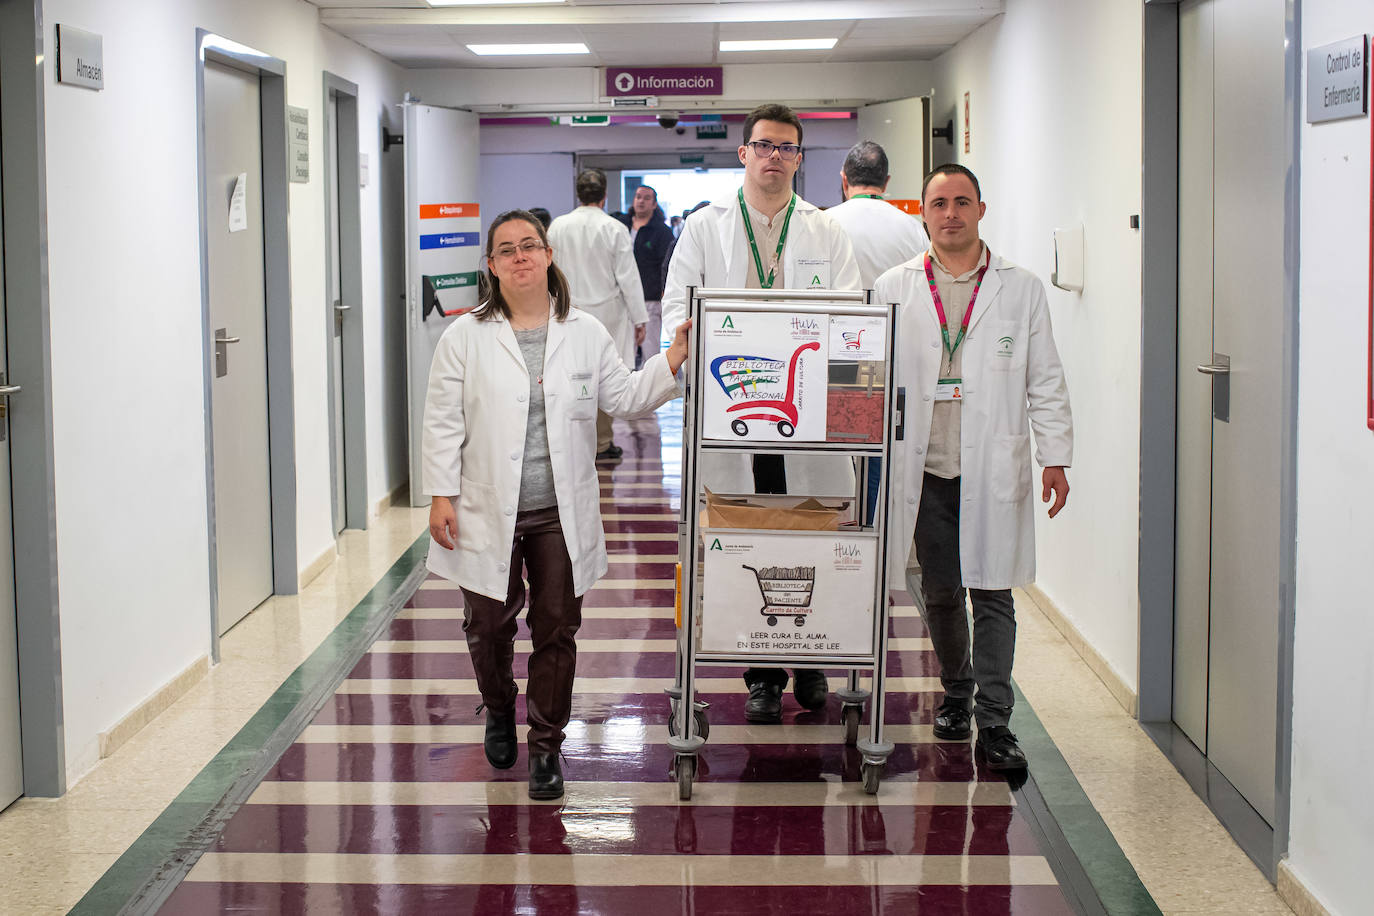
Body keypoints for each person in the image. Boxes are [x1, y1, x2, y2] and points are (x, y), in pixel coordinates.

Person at [422, 209, 692, 800]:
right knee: (488, 624)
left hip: (557, 512)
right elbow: (443, 420)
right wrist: (441, 493)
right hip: (485, 506)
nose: (520, 256)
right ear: (491, 267)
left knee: (556, 628)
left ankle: (546, 745)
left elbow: (622, 397)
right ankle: (498, 706)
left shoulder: (586, 332)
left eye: (529, 246)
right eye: (506, 249)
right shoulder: (464, 337)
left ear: (548, 256)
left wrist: (671, 359)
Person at [662, 103, 861, 725]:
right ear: (743, 153)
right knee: (745, 537)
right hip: (737, 411)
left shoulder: (825, 229)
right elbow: (679, 308)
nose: (775, 156)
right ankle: (762, 676)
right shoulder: (705, 227)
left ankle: (809, 655)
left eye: (787, 148)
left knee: (808, 530)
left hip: (805, 416)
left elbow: (852, 307)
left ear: (800, 160)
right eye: (764, 145)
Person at [874, 164, 1073, 771]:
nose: (951, 213)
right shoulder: (893, 286)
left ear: (981, 210)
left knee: (993, 592)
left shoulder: (1022, 287)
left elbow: (1045, 379)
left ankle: (996, 720)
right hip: (926, 465)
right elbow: (870, 377)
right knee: (940, 591)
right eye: (939, 203)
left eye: (963, 202)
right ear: (923, 213)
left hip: (991, 463)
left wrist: (1055, 455)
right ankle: (955, 693)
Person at [825, 140, 931, 523]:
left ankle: (840, 537)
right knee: (880, 454)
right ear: (886, 181)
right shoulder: (912, 228)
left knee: (833, 457)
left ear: (844, 179)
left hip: (838, 353)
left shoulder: (825, 221)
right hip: (895, 355)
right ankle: (874, 536)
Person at [548, 169, 648, 460]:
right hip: (608, 316)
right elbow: (628, 277)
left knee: (569, 378)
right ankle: (602, 442)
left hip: (567, 313)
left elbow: (550, 275)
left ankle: (571, 442)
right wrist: (639, 318)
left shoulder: (557, 227)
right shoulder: (614, 228)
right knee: (604, 379)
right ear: (605, 196)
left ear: (578, 194)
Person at [615, 185, 674, 368]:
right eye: (638, 196)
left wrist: (664, 292)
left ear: (654, 204)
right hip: (620, 298)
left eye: (646, 198)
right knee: (621, 352)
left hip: (650, 298)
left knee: (650, 350)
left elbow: (668, 266)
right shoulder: (619, 226)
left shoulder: (661, 232)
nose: (641, 201)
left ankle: (651, 393)